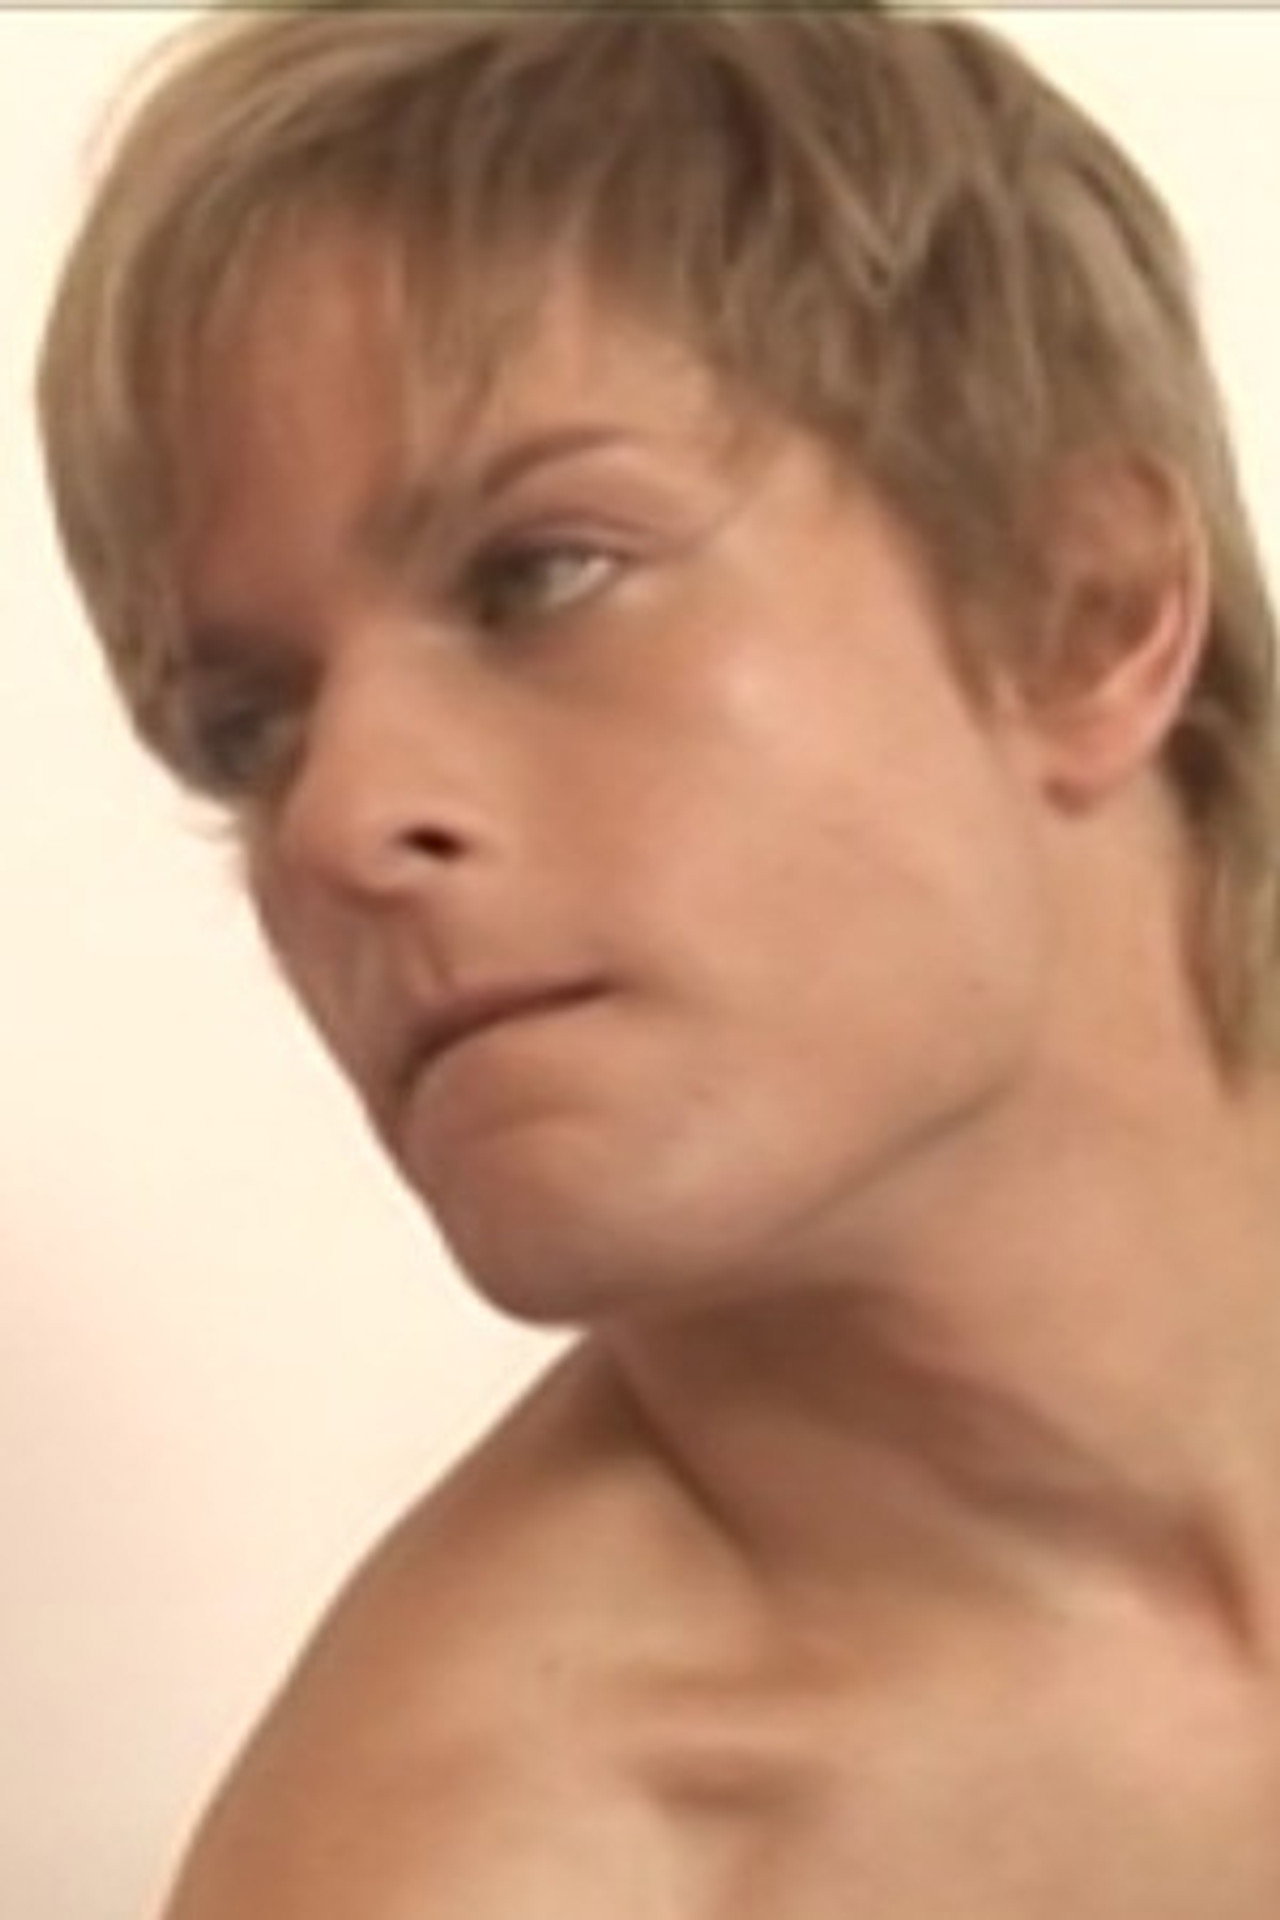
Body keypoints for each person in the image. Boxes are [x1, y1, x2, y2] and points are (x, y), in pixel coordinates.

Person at [36, 2, 1280, 1913]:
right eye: (245, 729)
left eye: (539, 574)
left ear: (1082, 606)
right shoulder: (478, 1869)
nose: (339, 818)